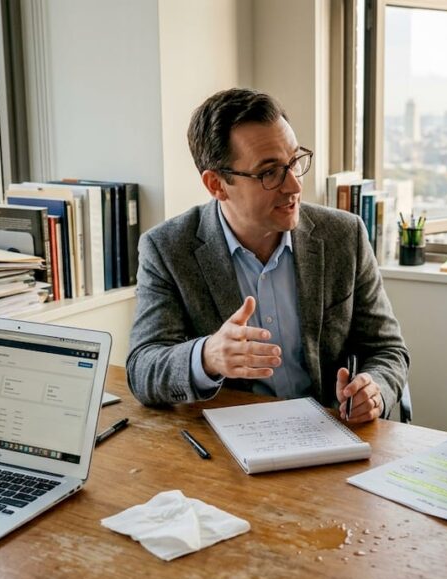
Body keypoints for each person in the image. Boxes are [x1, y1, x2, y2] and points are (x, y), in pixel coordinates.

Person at [127, 88, 409, 422]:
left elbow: (387, 350)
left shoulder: (344, 236)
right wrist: (208, 356)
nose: (294, 186)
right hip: (233, 446)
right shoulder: (168, 249)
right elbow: (142, 368)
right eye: (269, 172)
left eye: (294, 162)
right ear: (216, 184)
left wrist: (374, 390)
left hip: (331, 431)